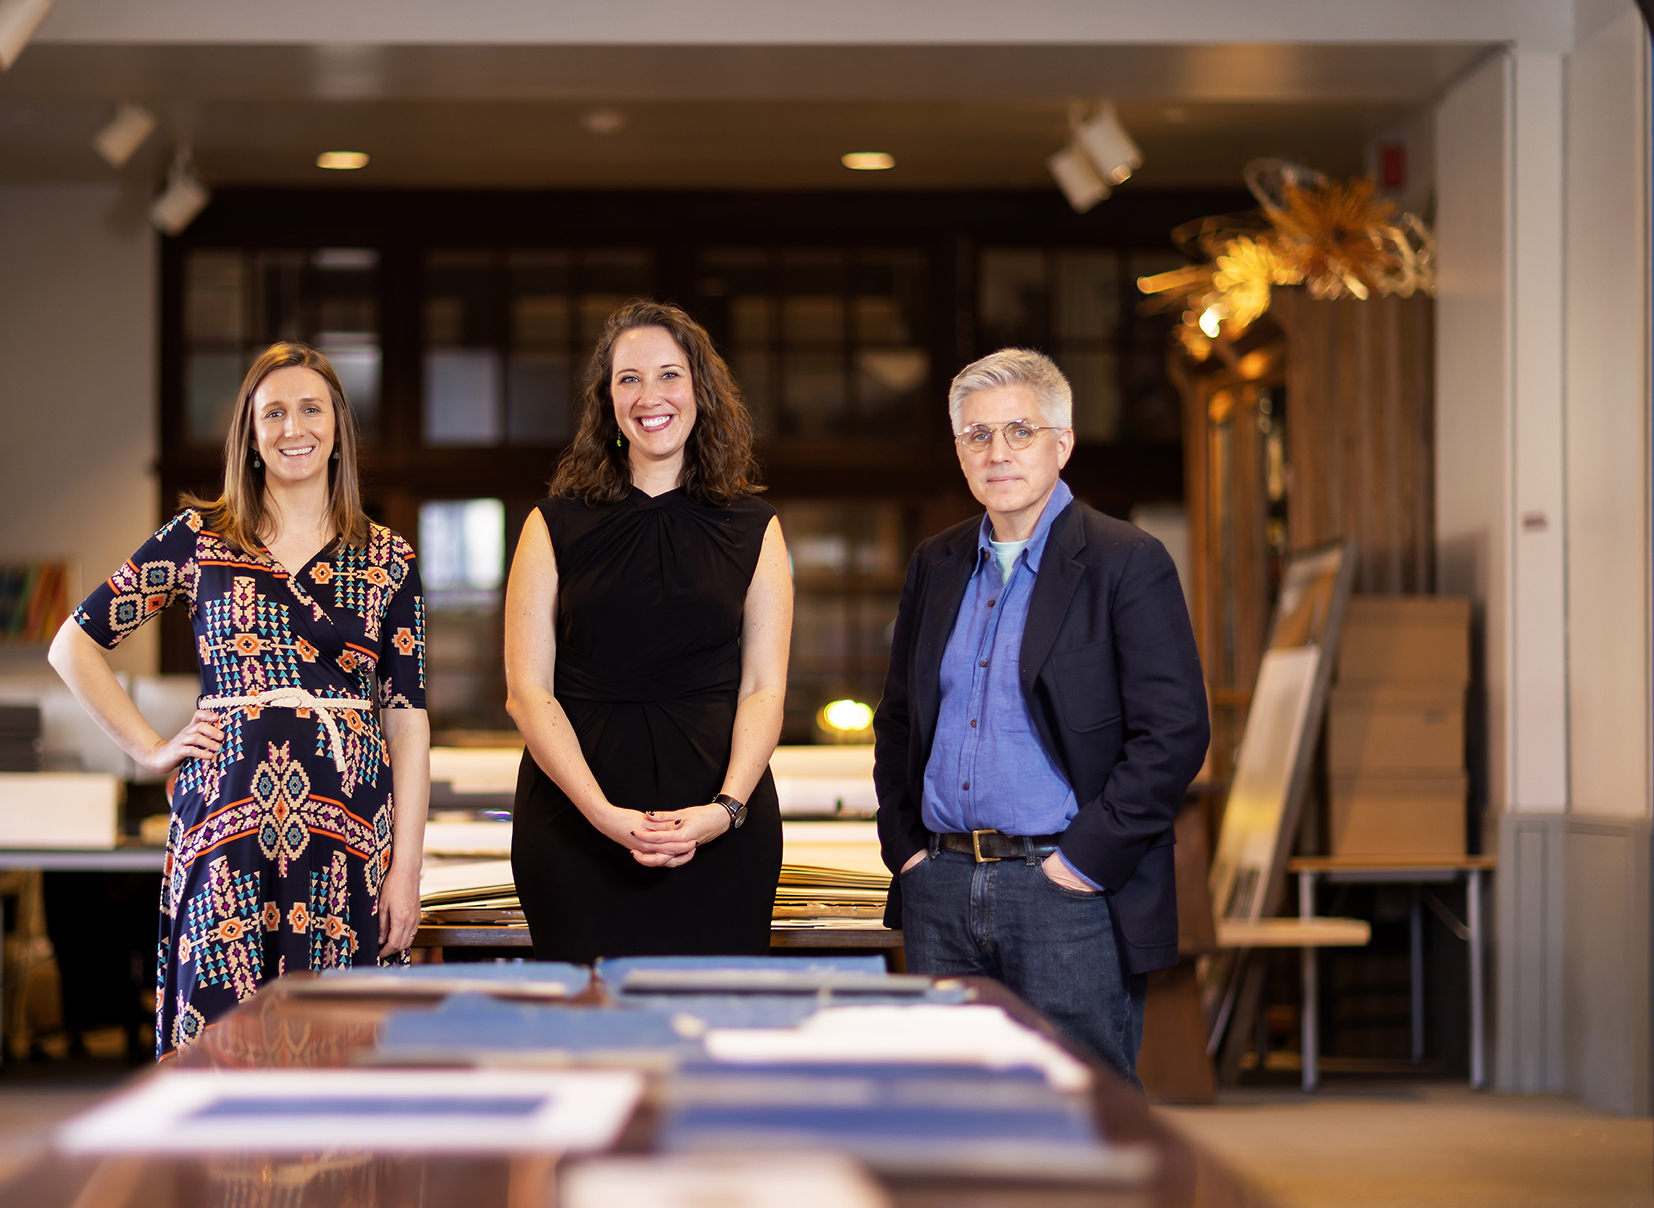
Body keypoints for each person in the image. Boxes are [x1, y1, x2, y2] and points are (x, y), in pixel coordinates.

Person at [50, 342, 429, 1056]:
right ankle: (212, 1174)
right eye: (274, 413)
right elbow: (73, 645)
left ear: (338, 427)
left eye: (311, 409)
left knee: (339, 1040)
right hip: (224, 830)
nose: (295, 428)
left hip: (348, 835)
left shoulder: (388, 558)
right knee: (217, 1038)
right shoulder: (198, 539)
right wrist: (151, 748)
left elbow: (406, 722)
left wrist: (406, 868)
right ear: (251, 436)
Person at [872, 348, 1209, 1083]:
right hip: (942, 884)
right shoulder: (936, 562)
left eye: (1020, 431)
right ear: (959, 450)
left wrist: (1081, 864)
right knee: (953, 1116)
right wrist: (907, 850)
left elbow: (1175, 732)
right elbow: (898, 718)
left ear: (1063, 441)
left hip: (1065, 890)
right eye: (977, 435)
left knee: (1080, 1119)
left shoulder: (1126, 560)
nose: (998, 452)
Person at [504, 300, 793, 963]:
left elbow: (763, 689)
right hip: (575, 829)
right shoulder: (552, 524)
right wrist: (603, 816)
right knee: (587, 1041)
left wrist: (725, 810)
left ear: (701, 391)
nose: (649, 395)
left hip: (724, 826)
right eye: (628, 379)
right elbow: (528, 692)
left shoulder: (757, 527)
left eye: (668, 375)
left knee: (713, 1041)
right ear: (607, 402)